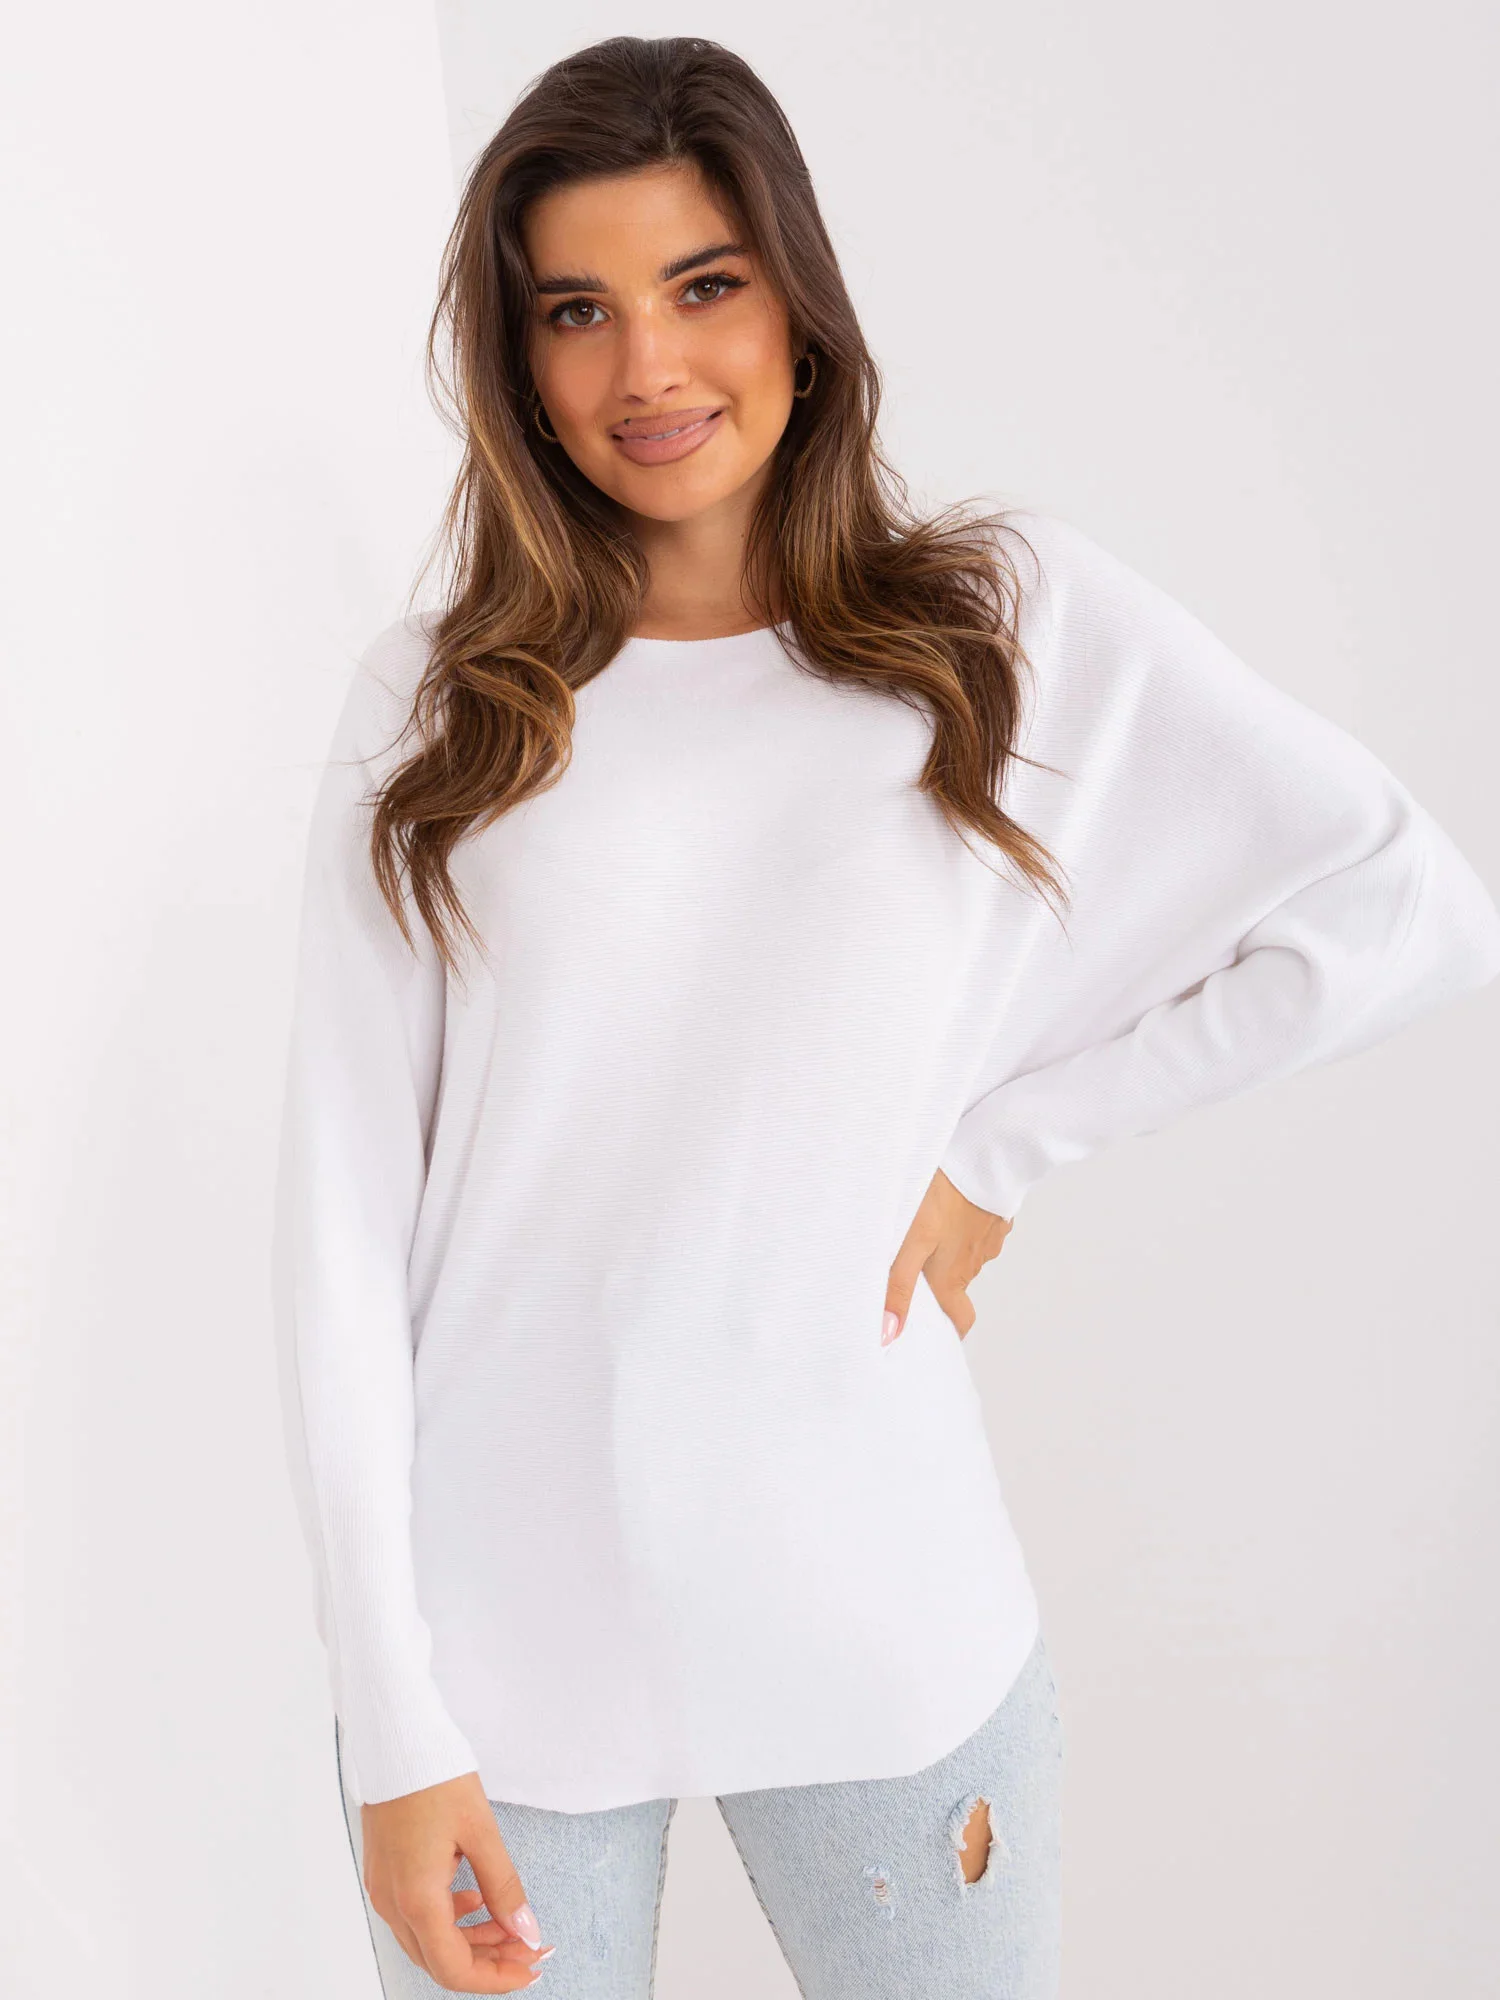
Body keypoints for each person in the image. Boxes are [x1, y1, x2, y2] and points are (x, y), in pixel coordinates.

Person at [270, 34, 1500, 2000]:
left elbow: (1404, 904)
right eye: (576, 311)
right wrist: (391, 1719)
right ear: (517, 358)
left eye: (703, 285)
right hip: (497, 1662)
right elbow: (340, 1230)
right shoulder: (444, 699)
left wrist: (1002, 1145)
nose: (647, 367)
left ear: (799, 301)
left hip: (881, 1627)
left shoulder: (999, 626)